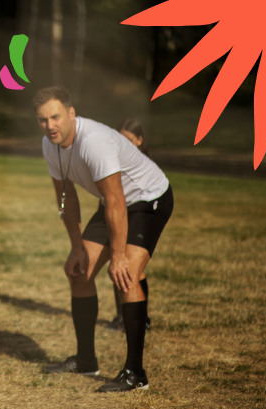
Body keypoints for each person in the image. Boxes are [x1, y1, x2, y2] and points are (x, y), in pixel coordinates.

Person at [34, 86, 173, 392]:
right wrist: (76, 248)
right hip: (113, 204)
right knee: (79, 273)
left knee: (126, 276)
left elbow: (117, 201)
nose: (50, 126)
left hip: (148, 200)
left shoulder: (93, 142)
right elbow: (66, 198)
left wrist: (120, 255)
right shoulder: (50, 145)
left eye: (55, 117)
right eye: (43, 120)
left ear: (71, 114)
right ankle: (86, 361)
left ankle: (135, 373)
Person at [107, 118, 152, 332]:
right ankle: (122, 316)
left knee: (132, 268)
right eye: (121, 139)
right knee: (119, 266)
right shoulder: (115, 160)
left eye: (130, 140)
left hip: (138, 216)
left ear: (140, 140)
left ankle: (141, 319)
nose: (124, 144)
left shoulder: (144, 164)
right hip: (121, 216)